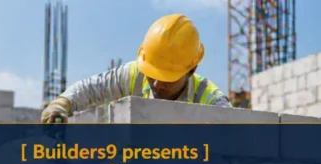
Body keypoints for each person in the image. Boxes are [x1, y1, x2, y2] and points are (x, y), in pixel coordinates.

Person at [41, 13, 232, 123]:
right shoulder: (135, 74)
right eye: (152, 74)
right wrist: (62, 104)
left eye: (167, 78)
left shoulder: (210, 98)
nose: (156, 84)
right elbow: (91, 88)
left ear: (191, 70)